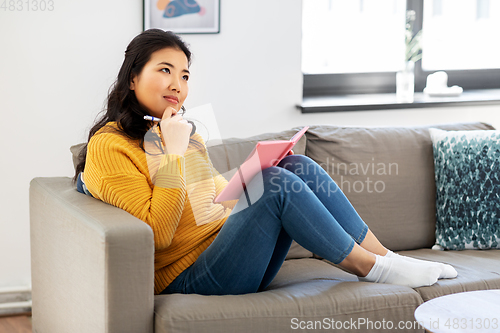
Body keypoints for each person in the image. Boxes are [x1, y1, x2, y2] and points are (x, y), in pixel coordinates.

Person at [74, 29, 457, 296]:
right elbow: (158, 235)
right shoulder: (110, 147)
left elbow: (203, 209)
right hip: (190, 276)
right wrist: (173, 154)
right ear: (131, 79)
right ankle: (373, 270)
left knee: (295, 167)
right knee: (275, 183)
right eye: (164, 70)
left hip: (230, 250)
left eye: (185, 75)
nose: (178, 84)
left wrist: (242, 180)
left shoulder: (176, 131)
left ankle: (385, 256)